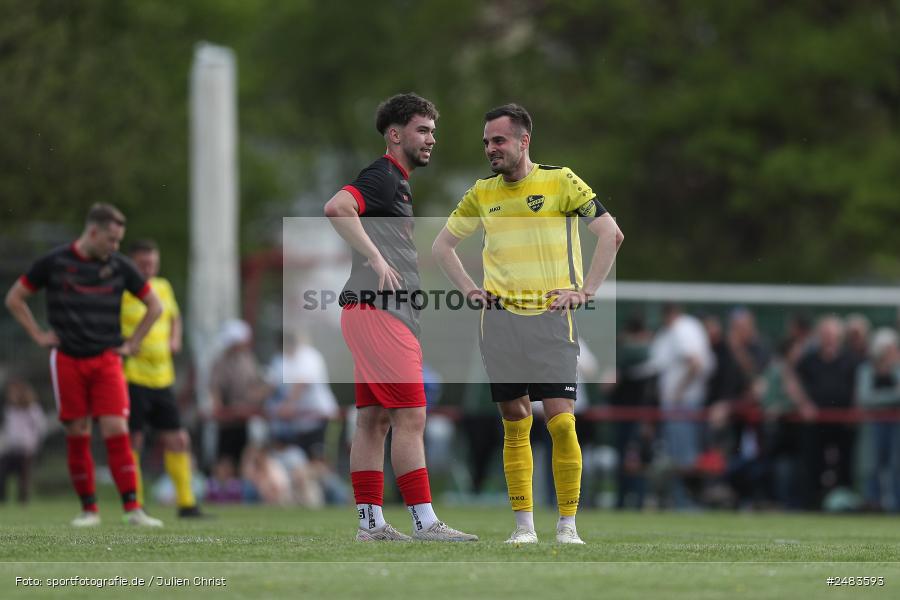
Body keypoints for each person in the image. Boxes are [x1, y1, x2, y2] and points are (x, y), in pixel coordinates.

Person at [432, 103, 623, 543]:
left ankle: (568, 526)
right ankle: (524, 528)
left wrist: (585, 291)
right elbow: (444, 247)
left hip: (552, 319)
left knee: (560, 422)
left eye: (498, 140)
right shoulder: (482, 192)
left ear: (523, 141)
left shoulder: (560, 180)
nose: (490, 149)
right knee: (515, 423)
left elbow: (610, 233)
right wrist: (470, 290)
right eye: (486, 142)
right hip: (499, 322)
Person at [324, 93, 476, 542]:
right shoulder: (385, 175)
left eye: (433, 131)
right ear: (395, 135)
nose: (431, 139)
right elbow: (336, 207)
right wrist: (375, 256)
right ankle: (425, 523)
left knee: (374, 421)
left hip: (370, 313)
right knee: (411, 418)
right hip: (381, 312)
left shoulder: (397, 180)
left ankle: (370, 525)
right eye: (422, 130)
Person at [4, 203, 163, 526]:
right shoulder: (55, 262)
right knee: (78, 431)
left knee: (116, 429)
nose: (115, 248)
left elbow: (154, 305)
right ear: (93, 232)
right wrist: (37, 333)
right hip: (67, 359)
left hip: (106, 359)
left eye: (119, 241)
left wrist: (132, 343)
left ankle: (133, 508)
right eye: (111, 240)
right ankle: (89, 509)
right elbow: (15, 297)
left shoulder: (119, 266)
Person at [121, 239, 208, 518]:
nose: (149, 269)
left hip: (162, 378)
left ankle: (187, 504)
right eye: (143, 264)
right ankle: (135, 504)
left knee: (178, 439)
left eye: (152, 264)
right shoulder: (121, 292)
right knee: (133, 440)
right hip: (132, 376)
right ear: (131, 264)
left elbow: (174, 317)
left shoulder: (162, 287)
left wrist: (175, 338)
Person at [650, 303, 715, 510]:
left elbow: (695, 363)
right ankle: (682, 501)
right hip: (685, 403)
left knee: (683, 458)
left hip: (682, 404)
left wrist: (678, 391)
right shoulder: (690, 327)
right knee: (680, 455)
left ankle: (686, 502)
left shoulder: (681, 329)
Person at [855, 327, 900, 511]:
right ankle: (872, 503)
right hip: (873, 423)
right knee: (871, 464)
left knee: (896, 465)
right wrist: (891, 395)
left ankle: (895, 504)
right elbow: (865, 398)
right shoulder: (866, 369)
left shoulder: (896, 370)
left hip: (895, 423)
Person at [0, 378, 48, 504]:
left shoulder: (32, 409)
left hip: (26, 448)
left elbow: (40, 427)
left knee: (24, 477)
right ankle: (2, 500)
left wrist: (33, 444)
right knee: (2, 473)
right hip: (10, 448)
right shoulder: (9, 409)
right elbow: (7, 428)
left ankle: (23, 501)